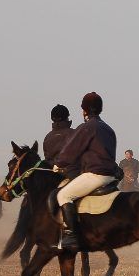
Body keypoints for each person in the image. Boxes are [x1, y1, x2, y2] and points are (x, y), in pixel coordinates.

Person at [53, 92, 118, 252]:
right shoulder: (108, 128)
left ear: (84, 110)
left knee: (63, 195)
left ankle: (71, 236)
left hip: (95, 174)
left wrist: (59, 164)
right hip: (111, 176)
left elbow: (70, 151)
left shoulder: (87, 127)